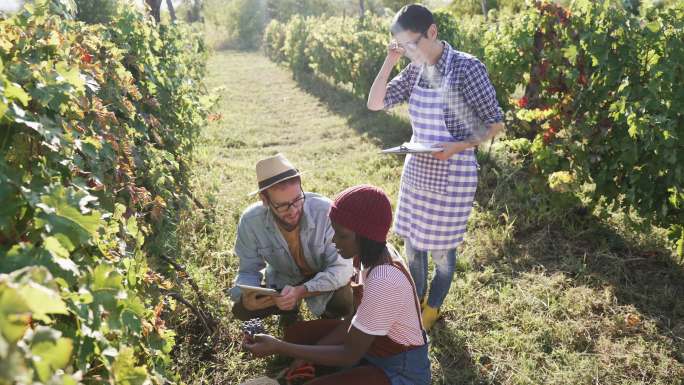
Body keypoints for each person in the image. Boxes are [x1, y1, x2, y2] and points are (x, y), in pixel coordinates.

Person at [367, 4, 505, 329]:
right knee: (413, 246)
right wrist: (391, 59)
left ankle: (434, 306)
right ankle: (415, 297)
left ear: (433, 31)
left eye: (413, 44)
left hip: (453, 172)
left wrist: (457, 145)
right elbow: (375, 103)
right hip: (418, 170)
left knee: (442, 251)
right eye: (404, 46)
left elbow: (495, 124)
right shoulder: (415, 69)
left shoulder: (467, 68)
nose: (410, 52)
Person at [245, 185, 431, 385]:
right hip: (371, 344)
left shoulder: (384, 280)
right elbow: (354, 320)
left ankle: (358, 371)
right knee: (296, 335)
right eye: (334, 231)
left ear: (365, 237)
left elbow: (348, 353)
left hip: (399, 369)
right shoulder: (369, 254)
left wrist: (280, 347)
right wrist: (304, 354)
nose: (334, 240)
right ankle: (353, 368)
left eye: (342, 235)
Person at [228, 153, 354, 322]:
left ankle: (327, 317)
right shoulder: (251, 221)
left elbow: (342, 269)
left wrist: (301, 291)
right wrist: (248, 297)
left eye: (297, 199)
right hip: (282, 281)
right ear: (264, 200)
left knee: (344, 301)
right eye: (282, 205)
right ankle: (288, 313)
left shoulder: (326, 212)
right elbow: (248, 271)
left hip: (321, 276)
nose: (293, 210)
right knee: (241, 310)